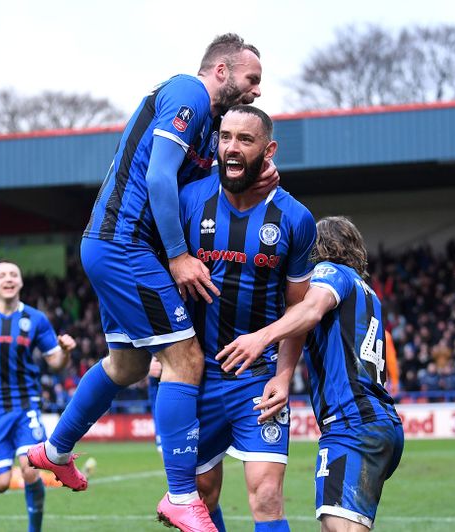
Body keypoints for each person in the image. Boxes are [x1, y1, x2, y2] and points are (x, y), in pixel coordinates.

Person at [28, 33, 270, 531]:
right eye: (252, 79)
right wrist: (179, 256)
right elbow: (160, 178)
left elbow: (189, 187)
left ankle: (55, 449)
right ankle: (181, 496)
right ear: (221, 71)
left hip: (115, 245)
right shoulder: (187, 92)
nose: (257, 91)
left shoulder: (205, 126)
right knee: (185, 360)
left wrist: (249, 180)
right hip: (127, 246)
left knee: (128, 363)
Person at [217, 216, 404, 532]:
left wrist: (261, 337)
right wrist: (284, 376)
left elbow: (310, 309)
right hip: (380, 424)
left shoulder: (330, 272)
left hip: (351, 425)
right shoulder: (368, 293)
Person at [181, 105, 315, 531]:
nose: (232, 148)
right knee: (201, 493)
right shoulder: (190, 200)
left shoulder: (294, 218)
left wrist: (284, 375)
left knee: (267, 495)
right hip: (196, 374)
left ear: (269, 149)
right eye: (225, 138)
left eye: (245, 139)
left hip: (258, 377)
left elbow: (299, 308)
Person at [0, 259, 76, 532]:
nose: (8, 279)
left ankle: (35, 529)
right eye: (2, 275)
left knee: (29, 467)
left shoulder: (35, 319)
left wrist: (66, 351)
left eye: (13, 275)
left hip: (25, 405)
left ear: (20, 283)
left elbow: (55, 362)